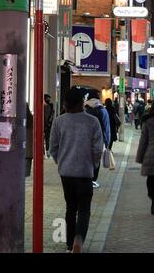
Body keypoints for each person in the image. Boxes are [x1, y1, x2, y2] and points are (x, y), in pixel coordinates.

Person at [49, 88, 103, 253]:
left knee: (70, 208)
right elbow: (97, 149)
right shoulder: (92, 121)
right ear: (82, 103)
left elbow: (53, 147)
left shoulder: (59, 121)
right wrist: (93, 165)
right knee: (84, 209)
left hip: (66, 173)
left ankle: (68, 245)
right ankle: (79, 240)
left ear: (65, 104)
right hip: (85, 173)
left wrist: (62, 162)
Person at [84, 90, 111, 188]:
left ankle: (86, 178)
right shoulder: (102, 110)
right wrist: (107, 141)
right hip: (98, 139)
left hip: (85, 138)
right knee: (96, 159)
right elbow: (106, 126)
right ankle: (93, 180)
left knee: (86, 158)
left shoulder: (84, 108)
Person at [26, 103, 33, 177]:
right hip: (29, 150)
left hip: (19, 150)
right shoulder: (32, 118)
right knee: (26, 174)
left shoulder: (17, 120)